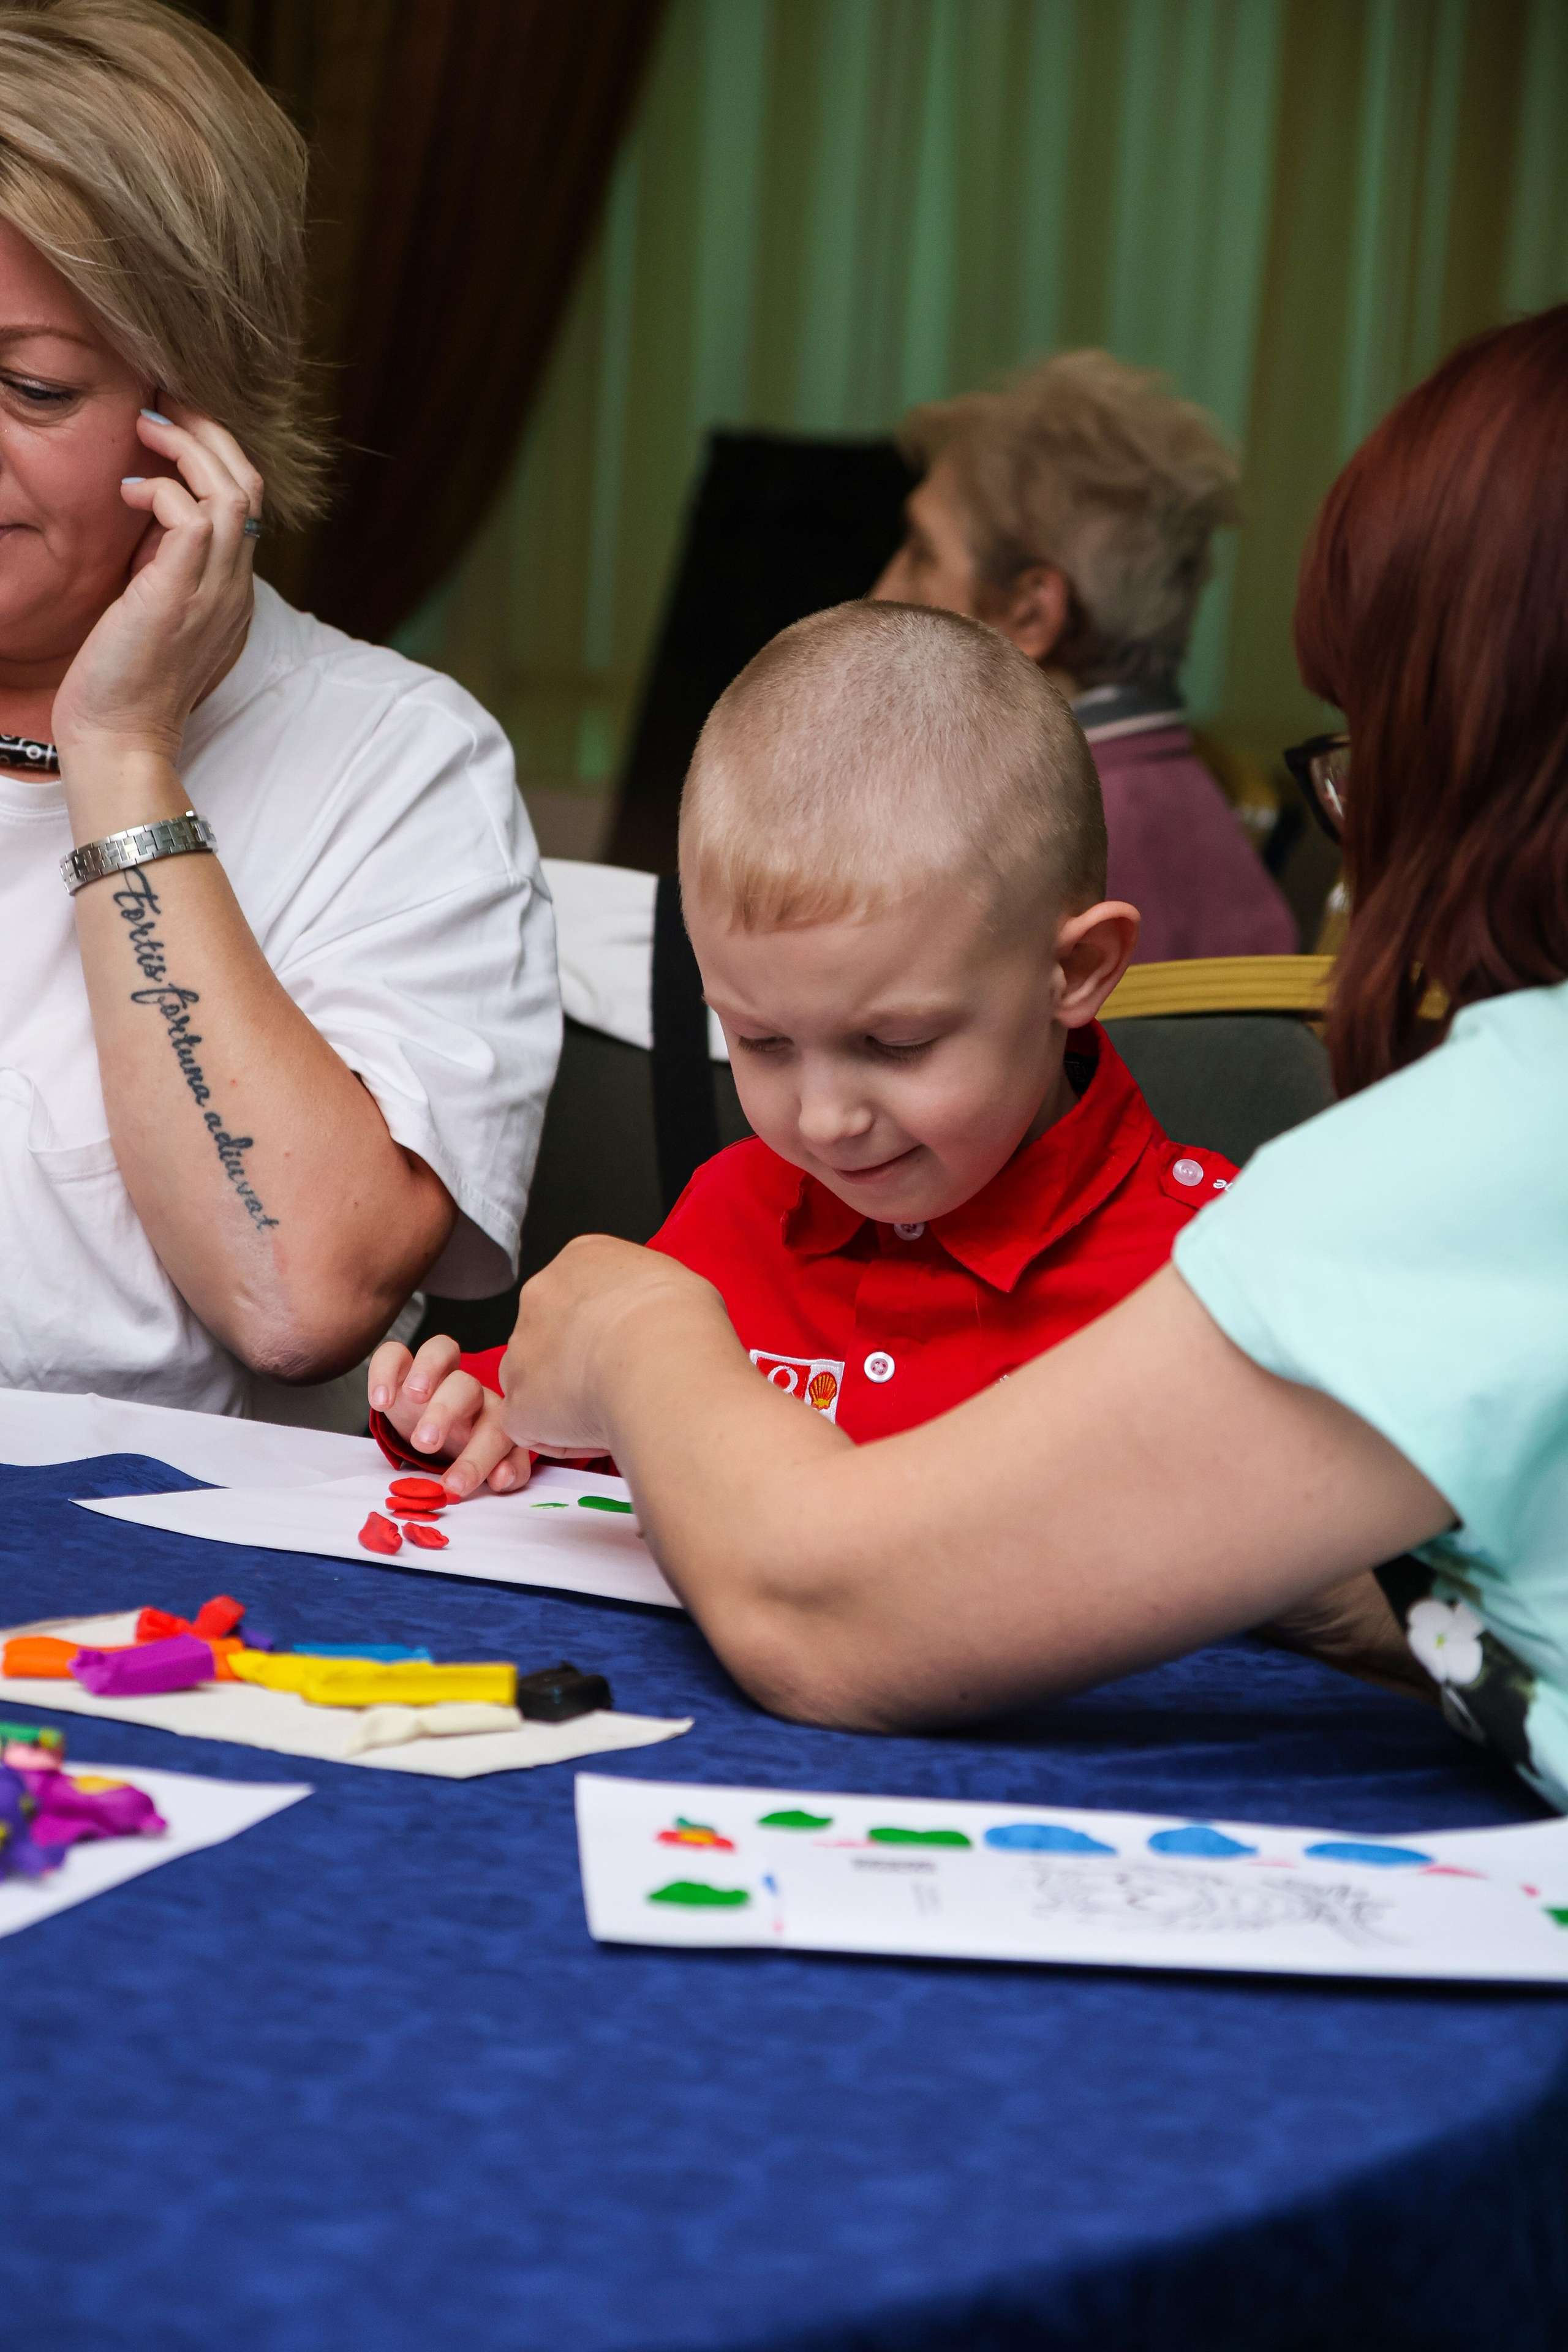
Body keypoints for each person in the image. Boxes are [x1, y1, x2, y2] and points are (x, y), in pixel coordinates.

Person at [468, 309, 1568, 1811]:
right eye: (762, 1040)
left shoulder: (1504, 1137)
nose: (825, 1108)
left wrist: (639, 1330)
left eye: (1373, 747)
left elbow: (826, 1613)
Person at [0, 0, 559, 1425]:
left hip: (146, 1614)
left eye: (31, 386)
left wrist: (120, 754)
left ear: (204, 422)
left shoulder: (400, 763)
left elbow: (292, 1292)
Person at [367, 603, 1234, 1476]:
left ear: (1078, 969)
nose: (823, 1121)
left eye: (896, 1044)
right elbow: (574, 1420)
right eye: (761, 1041)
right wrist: (476, 1414)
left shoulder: (1217, 1277)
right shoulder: (735, 1208)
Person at [872, 352, 1296, 965]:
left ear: (1031, 614)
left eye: (920, 552)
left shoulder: (1029, 844)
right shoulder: (1173, 787)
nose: (881, 591)